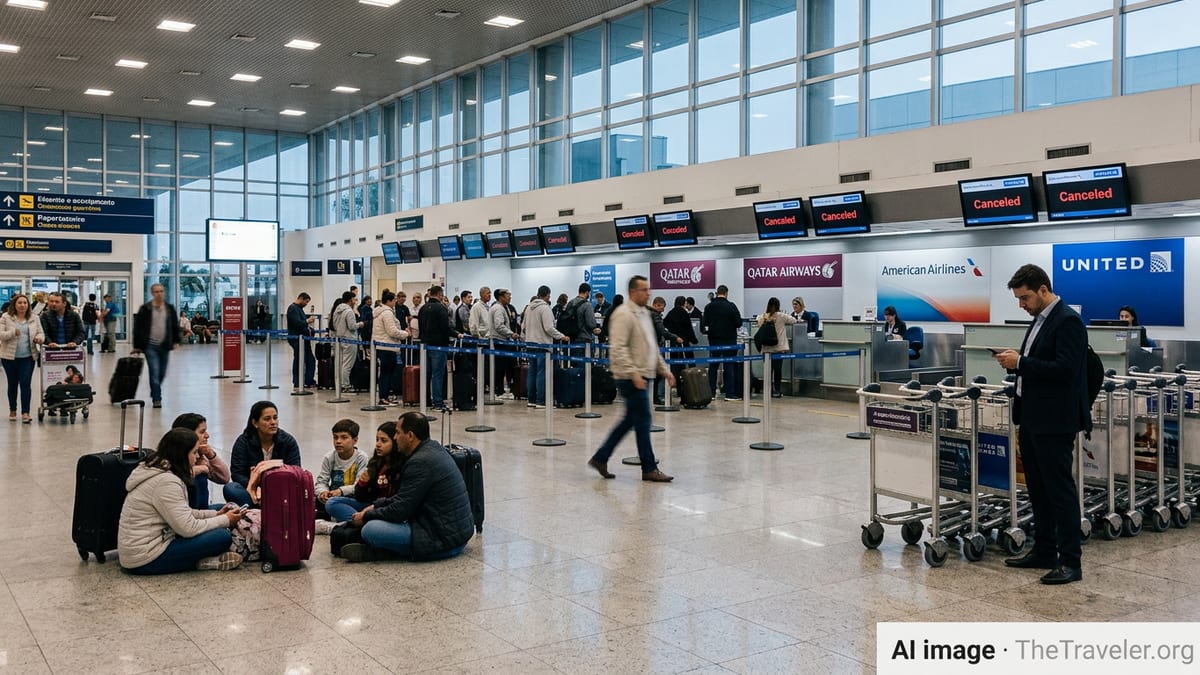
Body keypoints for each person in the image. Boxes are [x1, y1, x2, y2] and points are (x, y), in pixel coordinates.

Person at [994, 264, 1088, 585]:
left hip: (1055, 421)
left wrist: (1019, 363)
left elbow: (1065, 370)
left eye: (1025, 298)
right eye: (1019, 299)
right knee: (1038, 490)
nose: (1022, 304)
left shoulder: (1068, 322)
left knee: (1060, 491)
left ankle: (1071, 562)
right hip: (1032, 417)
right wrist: (1017, 365)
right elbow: (1039, 365)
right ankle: (1045, 550)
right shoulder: (1038, 321)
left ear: (1043, 290)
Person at [337, 412, 475, 562]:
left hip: (443, 540)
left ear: (410, 435)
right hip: (454, 533)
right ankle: (384, 549)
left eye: (397, 432)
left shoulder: (419, 462)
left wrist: (367, 516)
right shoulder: (432, 449)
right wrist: (375, 506)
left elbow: (400, 510)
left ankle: (386, 553)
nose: (395, 437)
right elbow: (404, 497)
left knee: (371, 529)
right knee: (370, 520)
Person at [118, 427, 246, 574]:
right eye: (194, 452)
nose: (197, 456)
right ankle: (198, 561)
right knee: (221, 537)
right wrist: (225, 520)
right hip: (145, 558)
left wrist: (217, 515)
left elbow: (184, 512)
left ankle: (201, 561)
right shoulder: (166, 482)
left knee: (219, 513)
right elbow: (187, 528)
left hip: (148, 547)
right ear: (182, 454)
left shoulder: (160, 469)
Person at [587, 276, 675, 482]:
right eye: (644, 289)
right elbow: (618, 348)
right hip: (629, 376)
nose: (648, 293)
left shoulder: (644, 314)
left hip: (642, 373)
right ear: (633, 292)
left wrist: (665, 370)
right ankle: (649, 467)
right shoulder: (623, 315)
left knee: (630, 420)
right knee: (643, 420)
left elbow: (651, 346)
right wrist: (633, 373)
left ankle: (601, 457)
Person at [223, 401, 303, 506]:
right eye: (267, 419)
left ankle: (263, 509)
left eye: (275, 418)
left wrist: (270, 486)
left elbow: (295, 470)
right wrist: (255, 486)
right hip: (252, 490)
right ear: (255, 423)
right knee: (231, 488)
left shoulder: (288, 441)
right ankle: (262, 509)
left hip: (280, 489)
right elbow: (237, 474)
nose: (273, 422)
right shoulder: (243, 442)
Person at [325, 421, 405, 524]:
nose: (378, 444)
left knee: (372, 527)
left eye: (384, 441)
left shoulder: (402, 465)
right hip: (370, 505)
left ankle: (354, 524)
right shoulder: (376, 462)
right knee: (332, 503)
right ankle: (358, 523)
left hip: (387, 509)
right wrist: (362, 484)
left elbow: (398, 501)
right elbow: (361, 497)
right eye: (377, 440)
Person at [314, 419, 371, 534]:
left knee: (332, 504)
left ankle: (343, 524)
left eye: (344, 437)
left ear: (355, 440)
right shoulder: (329, 457)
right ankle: (342, 522)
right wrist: (322, 493)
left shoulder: (362, 458)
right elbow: (321, 481)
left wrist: (340, 491)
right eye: (335, 437)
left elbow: (358, 486)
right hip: (333, 498)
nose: (338, 441)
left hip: (354, 499)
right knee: (311, 501)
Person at [131, 283, 180, 409]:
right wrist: (137, 346)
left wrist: (176, 340)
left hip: (165, 345)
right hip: (150, 346)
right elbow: (138, 328)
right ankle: (157, 398)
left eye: (161, 291)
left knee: (162, 373)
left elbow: (174, 325)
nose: (159, 294)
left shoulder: (169, 308)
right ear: (152, 293)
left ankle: (154, 390)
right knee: (154, 371)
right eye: (157, 291)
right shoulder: (145, 309)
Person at [172, 413, 231, 510]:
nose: (207, 436)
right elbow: (177, 475)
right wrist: (200, 469)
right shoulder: (172, 457)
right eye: (202, 432)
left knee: (231, 509)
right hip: (187, 516)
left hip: (202, 511)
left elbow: (224, 478)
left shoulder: (200, 455)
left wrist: (211, 455)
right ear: (187, 435)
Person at [0, 294, 45, 423]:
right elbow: (1, 335)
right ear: (14, 304)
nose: (22, 305)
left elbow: (41, 332)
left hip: (28, 357)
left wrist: (40, 339)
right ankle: (12, 409)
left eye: (25, 303)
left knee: (26, 384)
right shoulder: (6, 317)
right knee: (12, 384)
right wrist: (13, 332)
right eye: (19, 303)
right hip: (9, 357)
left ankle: (26, 412)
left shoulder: (34, 318)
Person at [523, 285, 568, 409]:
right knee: (541, 373)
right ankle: (541, 400)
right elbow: (549, 328)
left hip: (530, 344)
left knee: (532, 372)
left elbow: (523, 326)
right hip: (542, 344)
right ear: (547, 295)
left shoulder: (528, 308)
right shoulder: (545, 308)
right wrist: (561, 336)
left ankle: (531, 399)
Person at [417, 286, 457, 410]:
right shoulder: (441, 309)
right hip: (439, 346)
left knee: (426, 374)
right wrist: (457, 334)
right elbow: (445, 328)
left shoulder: (423, 308)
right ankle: (438, 402)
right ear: (440, 295)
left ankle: (426, 400)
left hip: (424, 346)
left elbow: (420, 327)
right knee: (437, 375)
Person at [702, 285, 742, 401]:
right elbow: (738, 323)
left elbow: (704, 324)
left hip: (714, 340)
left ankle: (712, 393)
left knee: (713, 366)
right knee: (729, 366)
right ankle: (729, 394)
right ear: (726, 293)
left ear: (717, 292)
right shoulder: (731, 306)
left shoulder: (709, 307)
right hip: (729, 340)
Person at [372, 290, 409, 407]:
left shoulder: (380, 312)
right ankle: (383, 397)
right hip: (388, 346)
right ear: (389, 301)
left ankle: (385, 396)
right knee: (386, 373)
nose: (395, 302)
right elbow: (392, 331)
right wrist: (405, 334)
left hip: (383, 346)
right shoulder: (387, 313)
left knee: (385, 373)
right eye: (394, 300)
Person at [757, 297, 798, 398]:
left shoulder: (763, 316)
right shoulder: (781, 316)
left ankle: (768, 391)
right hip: (778, 348)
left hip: (766, 349)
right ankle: (777, 391)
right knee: (777, 371)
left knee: (767, 372)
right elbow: (794, 320)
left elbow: (757, 321)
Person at [650, 296, 682, 405]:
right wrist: (675, 337)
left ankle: (651, 396)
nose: (663, 310)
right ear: (656, 305)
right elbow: (662, 331)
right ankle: (658, 397)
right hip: (654, 347)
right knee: (659, 373)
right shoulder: (655, 315)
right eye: (662, 308)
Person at [488, 288, 518, 398]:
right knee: (500, 367)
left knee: (503, 366)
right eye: (508, 295)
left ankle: (500, 390)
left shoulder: (503, 308)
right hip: (499, 341)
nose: (510, 297)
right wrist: (511, 334)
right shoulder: (498, 309)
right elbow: (499, 325)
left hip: (501, 340)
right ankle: (499, 391)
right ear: (501, 297)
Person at [330, 291, 363, 391]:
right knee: (347, 364)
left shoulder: (337, 310)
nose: (355, 302)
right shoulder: (349, 311)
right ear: (350, 300)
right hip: (349, 340)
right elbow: (352, 326)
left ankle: (339, 383)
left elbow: (334, 325)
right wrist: (360, 324)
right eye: (354, 299)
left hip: (339, 339)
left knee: (339, 363)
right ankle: (346, 385)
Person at [663, 295, 698, 385]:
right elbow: (689, 328)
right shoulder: (684, 313)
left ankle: (677, 384)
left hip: (673, 342)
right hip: (684, 341)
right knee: (689, 363)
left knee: (675, 365)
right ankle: (690, 384)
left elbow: (665, 324)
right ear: (684, 303)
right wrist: (694, 340)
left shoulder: (670, 313)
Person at [286, 292, 317, 394]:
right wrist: (307, 321)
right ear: (302, 299)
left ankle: (308, 380)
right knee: (299, 360)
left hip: (304, 339)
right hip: (297, 339)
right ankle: (297, 382)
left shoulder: (299, 309)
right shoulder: (293, 309)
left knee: (309, 360)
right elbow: (297, 323)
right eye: (306, 302)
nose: (306, 304)